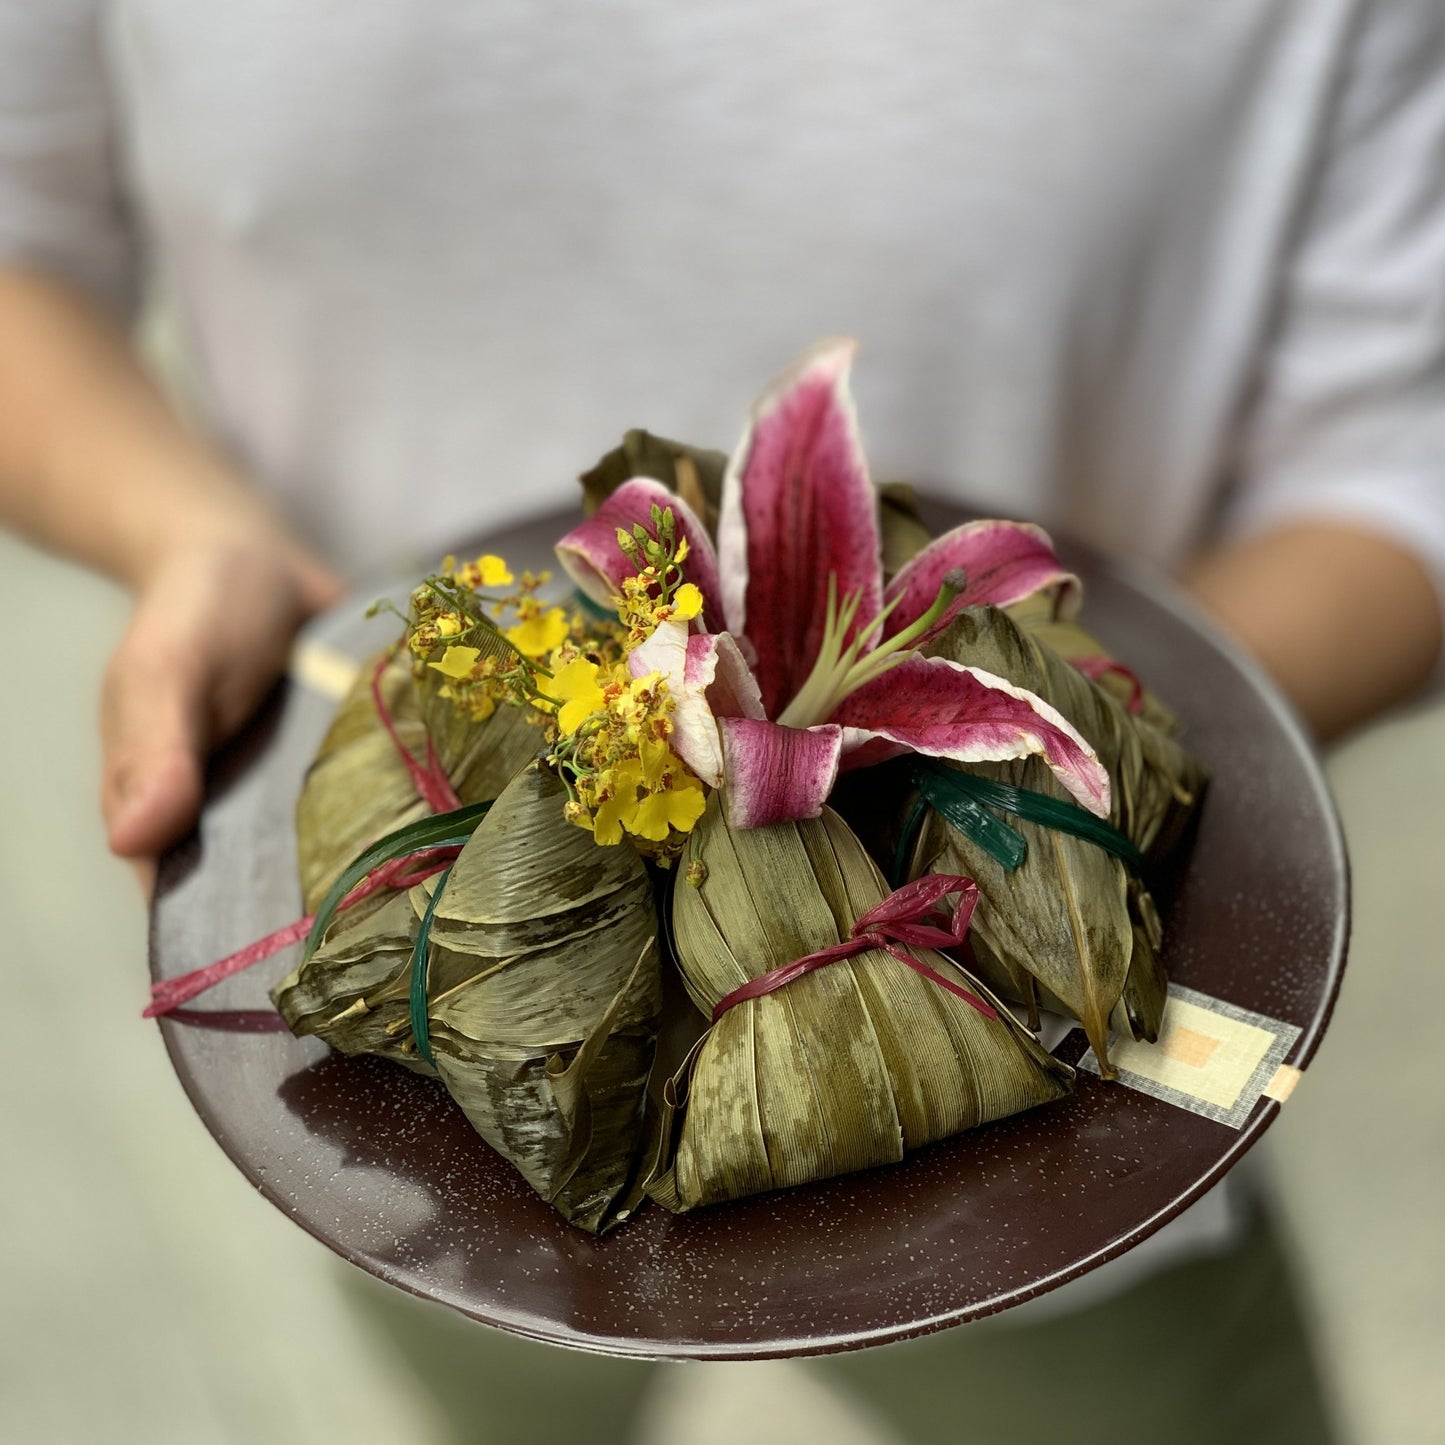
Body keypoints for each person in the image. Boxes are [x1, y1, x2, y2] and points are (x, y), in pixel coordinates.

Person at [2, 3, 1441, 1441]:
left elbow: (1401, 458)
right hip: (443, 1112)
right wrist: (186, 539)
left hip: (1056, 1148)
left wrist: (1101, 728)